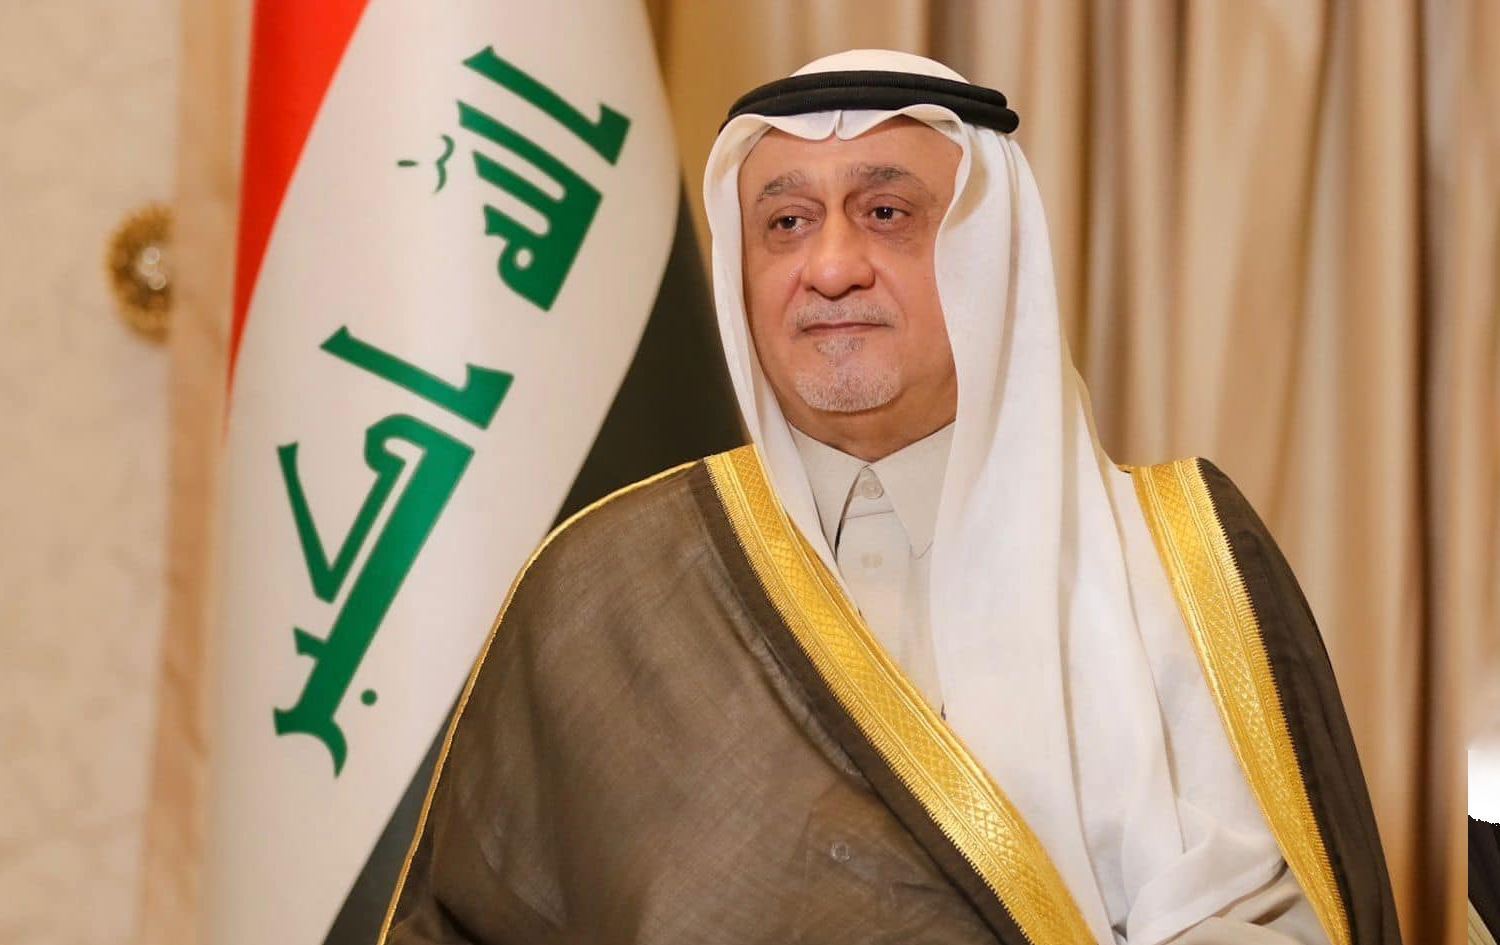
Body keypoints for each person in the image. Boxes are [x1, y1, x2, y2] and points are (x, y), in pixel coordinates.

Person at [378, 50, 1400, 945]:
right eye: (785, 223)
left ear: (991, 255)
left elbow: (1282, 914)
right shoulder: (608, 585)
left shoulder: (1177, 562)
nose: (829, 268)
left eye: (886, 214)